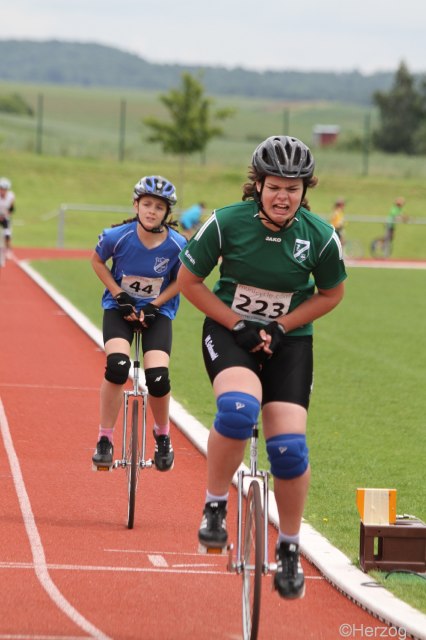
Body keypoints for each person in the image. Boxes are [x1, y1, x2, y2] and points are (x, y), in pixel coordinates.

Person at [177, 135, 347, 600]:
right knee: (237, 411)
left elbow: (332, 293)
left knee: (289, 450)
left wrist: (282, 325)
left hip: (288, 342)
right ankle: (215, 506)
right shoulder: (225, 223)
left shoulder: (320, 236)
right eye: (274, 186)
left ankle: (289, 547)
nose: (282, 196)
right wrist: (237, 323)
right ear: (258, 185)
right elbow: (189, 282)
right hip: (229, 333)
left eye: (292, 188)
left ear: (304, 190)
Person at [91, 175, 187, 472]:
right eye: (146, 204)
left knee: (158, 378)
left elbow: (183, 280)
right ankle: (105, 439)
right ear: (136, 205)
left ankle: (163, 435)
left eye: (159, 207)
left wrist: (156, 305)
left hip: (158, 313)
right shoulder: (117, 236)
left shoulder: (177, 244)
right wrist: (119, 294)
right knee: (117, 367)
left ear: (167, 212)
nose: (151, 211)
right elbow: (97, 261)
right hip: (119, 310)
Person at [0, 177, 16, 257]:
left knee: (7, 234)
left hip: (5, 217)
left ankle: (8, 250)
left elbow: (12, 208)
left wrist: (6, 215)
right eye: (1, 189)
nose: (2, 191)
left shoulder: (11, 196)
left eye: (4, 189)